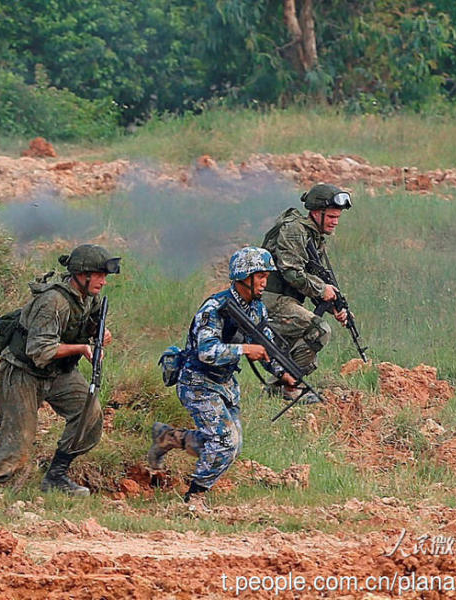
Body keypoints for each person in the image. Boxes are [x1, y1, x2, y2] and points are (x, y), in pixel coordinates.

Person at [147, 247, 295, 509]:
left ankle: (169, 438)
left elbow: (266, 346)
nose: (265, 282)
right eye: (260, 276)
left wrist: (283, 373)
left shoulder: (256, 309)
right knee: (225, 441)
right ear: (244, 277)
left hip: (225, 384)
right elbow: (206, 352)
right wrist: (244, 350)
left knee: (230, 447)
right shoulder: (214, 309)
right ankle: (194, 497)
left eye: (266, 276)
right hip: (198, 382)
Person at [0, 244, 121, 499]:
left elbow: (86, 325)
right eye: (98, 275)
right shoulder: (52, 301)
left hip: (58, 372)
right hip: (23, 372)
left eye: (104, 276)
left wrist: (99, 334)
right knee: (19, 436)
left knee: (89, 414)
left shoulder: (88, 299)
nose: (103, 282)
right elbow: (39, 350)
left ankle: (56, 475)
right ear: (81, 274)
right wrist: (83, 348)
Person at [260, 182, 352, 402]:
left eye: (337, 218)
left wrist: (334, 306)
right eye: (330, 217)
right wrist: (322, 290)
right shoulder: (294, 230)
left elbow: (312, 277)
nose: (334, 222)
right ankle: (288, 387)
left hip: (284, 300)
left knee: (308, 347)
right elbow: (291, 271)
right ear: (316, 213)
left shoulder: (312, 236)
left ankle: (278, 388)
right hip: (270, 299)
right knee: (319, 330)